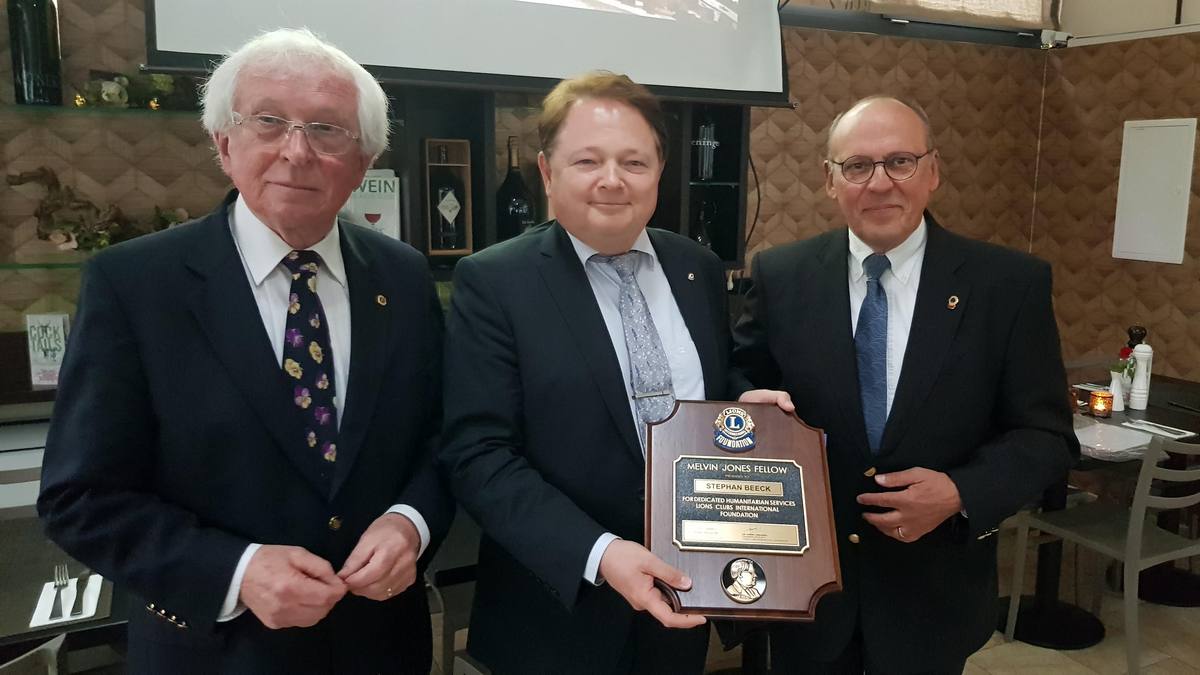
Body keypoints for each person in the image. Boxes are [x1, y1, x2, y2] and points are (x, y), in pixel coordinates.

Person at [37, 28, 452, 674]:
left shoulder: (403, 276)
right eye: (268, 122)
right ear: (224, 143)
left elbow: (443, 437)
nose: (296, 151)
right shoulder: (135, 284)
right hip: (216, 654)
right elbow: (80, 497)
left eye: (326, 129)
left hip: (380, 648)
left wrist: (411, 521)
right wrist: (235, 570)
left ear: (364, 160)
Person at [730, 95, 1078, 673]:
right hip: (806, 596)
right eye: (857, 166)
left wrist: (961, 492)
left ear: (933, 171)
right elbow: (742, 381)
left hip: (932, 600)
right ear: (830, 180)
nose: (879, 183)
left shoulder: (1008, 285)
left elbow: (1046, 436)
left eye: (900, 161)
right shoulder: (781, 275)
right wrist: (745, 405)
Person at [439, 71, 729, 675]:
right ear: (548, 173)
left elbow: (714, 398)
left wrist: (753, 411)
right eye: (587, 160)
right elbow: (478, 455)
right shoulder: (495, 282)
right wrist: (600, 553)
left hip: (682, 601)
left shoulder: (698, 269)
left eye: (634, 162)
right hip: (554, 617)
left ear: (660, 170)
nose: (612, 180)